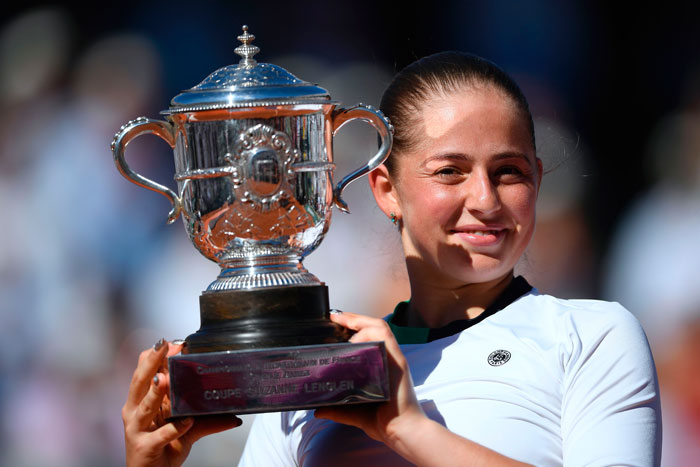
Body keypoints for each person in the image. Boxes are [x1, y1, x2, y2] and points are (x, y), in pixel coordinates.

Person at [122, 51, 662, 466]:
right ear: (386, 190)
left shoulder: (591, 336)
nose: (485, 200)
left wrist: (409, 429)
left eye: (509, 172)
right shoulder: (313, 374)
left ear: (538, 181)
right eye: (450, 171)